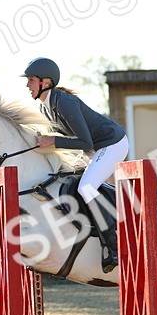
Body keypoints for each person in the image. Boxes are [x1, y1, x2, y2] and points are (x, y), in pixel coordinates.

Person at [23, 57, 129, 272]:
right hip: (96, 149)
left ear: (45, 82)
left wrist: (52, 140)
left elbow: (85, 142)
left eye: (31, 80)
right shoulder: (46, 108)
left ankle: (113, 245)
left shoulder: (63, 102)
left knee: (86, 187)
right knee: (77, 184)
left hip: (112, 143)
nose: (27, 85)